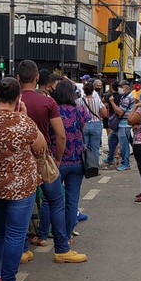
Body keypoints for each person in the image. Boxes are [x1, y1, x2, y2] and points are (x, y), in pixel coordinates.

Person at [0, 77, 47, 281]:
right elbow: (40, 147)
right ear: (18, 98)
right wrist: (24, 117)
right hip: (20, 187)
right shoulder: (23, 122)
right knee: (16, 234)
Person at [18, 59, 87, 263]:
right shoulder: (47, 102)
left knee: (22, 205)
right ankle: (62, 248)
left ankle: (22, 249)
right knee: (56, 201)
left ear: (18, 78)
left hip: (20, 160)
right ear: (37, 78)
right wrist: (57, 158)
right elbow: (61, 135)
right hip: (44, 158)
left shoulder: (12, 101)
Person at [34, 81, 90, 246]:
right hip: (78, 161)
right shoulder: (80, 110)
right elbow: (82, 129)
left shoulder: (53, 110)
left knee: (49, 200)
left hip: (57, 161)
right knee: (72, 201)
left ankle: (43, 235)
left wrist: (58, 157)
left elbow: (58, 135)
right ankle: (66, 236)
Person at [77, 82, 107, 165]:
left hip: (83, 125)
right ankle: (94, 167)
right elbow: (104, 113)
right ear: (93, 90)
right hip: (96, 124)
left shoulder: (78, 101)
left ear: (83, 90)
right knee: (95, 148)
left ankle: (84, 166)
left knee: (83, 147)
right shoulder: (98, 101)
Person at [108, 80, 135, 171]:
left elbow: (120, 112)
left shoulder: (128, 98)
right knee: (111, 139)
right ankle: (110, 158)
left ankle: (126, 163)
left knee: (124, 145)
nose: (119, 89)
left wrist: (112, 102)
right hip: (120, 124)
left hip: (124, 125)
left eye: (121, 87)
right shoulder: (124, 97)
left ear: (126, 88)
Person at [103, 81, 121, 166]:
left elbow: (105, 104)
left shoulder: (109, 95)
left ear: (111, 87)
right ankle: (116, 155)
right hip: (120, 118)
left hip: (111, 118)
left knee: (111, 137)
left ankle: (113, 156)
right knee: (116, 137)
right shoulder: (121, 96)